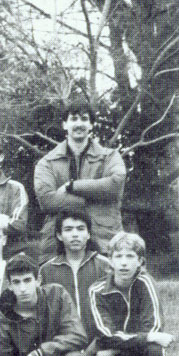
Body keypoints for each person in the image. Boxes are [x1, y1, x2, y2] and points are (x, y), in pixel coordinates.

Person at [88, 232, 176, 356]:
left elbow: (152, 327)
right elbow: (105, 335)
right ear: (110, 260)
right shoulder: (97, 290)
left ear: (140, 261)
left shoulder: (146, 283)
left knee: (155, 350)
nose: (124, 263)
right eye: (118, 257)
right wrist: (145, 338)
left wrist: (115, 348)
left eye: (130, 257)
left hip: (130, 353)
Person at [38, 210, 117, 356]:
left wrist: (99, 344)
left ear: (89, 234)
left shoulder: (105, 266)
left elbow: (117, 313)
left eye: (81, 229)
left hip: (100, 347)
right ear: (58, 235)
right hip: (66, 351)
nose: (75, 234)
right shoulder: (46, 270)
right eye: (68, 229)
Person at [34, 101, 126, 261]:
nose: (79, 124)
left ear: (91, 125)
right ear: (64, 124)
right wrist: (93, 197)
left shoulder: (109, 156)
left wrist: (72, 186)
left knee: (106, 284)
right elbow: (47, 200)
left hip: (104, 241)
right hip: (57, 246)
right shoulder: (47, 162)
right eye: (74, 119)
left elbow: (115, 186)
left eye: (84, 119)